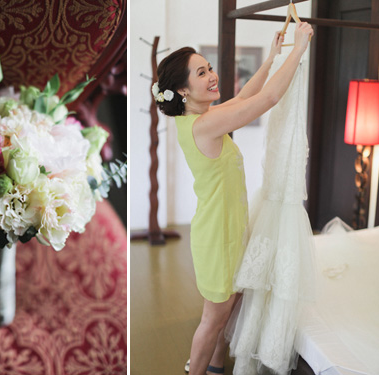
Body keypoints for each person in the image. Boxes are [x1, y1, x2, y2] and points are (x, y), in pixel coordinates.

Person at [152, 22, 314, 375]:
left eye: (208, 68)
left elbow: (242, 99)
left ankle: (214, 366)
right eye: (201, 72)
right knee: (213, 318)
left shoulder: (198, 118)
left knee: (228, 305)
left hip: (226, 228)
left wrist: (272, 56)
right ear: (182, 89)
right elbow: (267, 99)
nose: (211, 75)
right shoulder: (202, 125)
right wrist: (300, 48)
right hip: (217, 236)